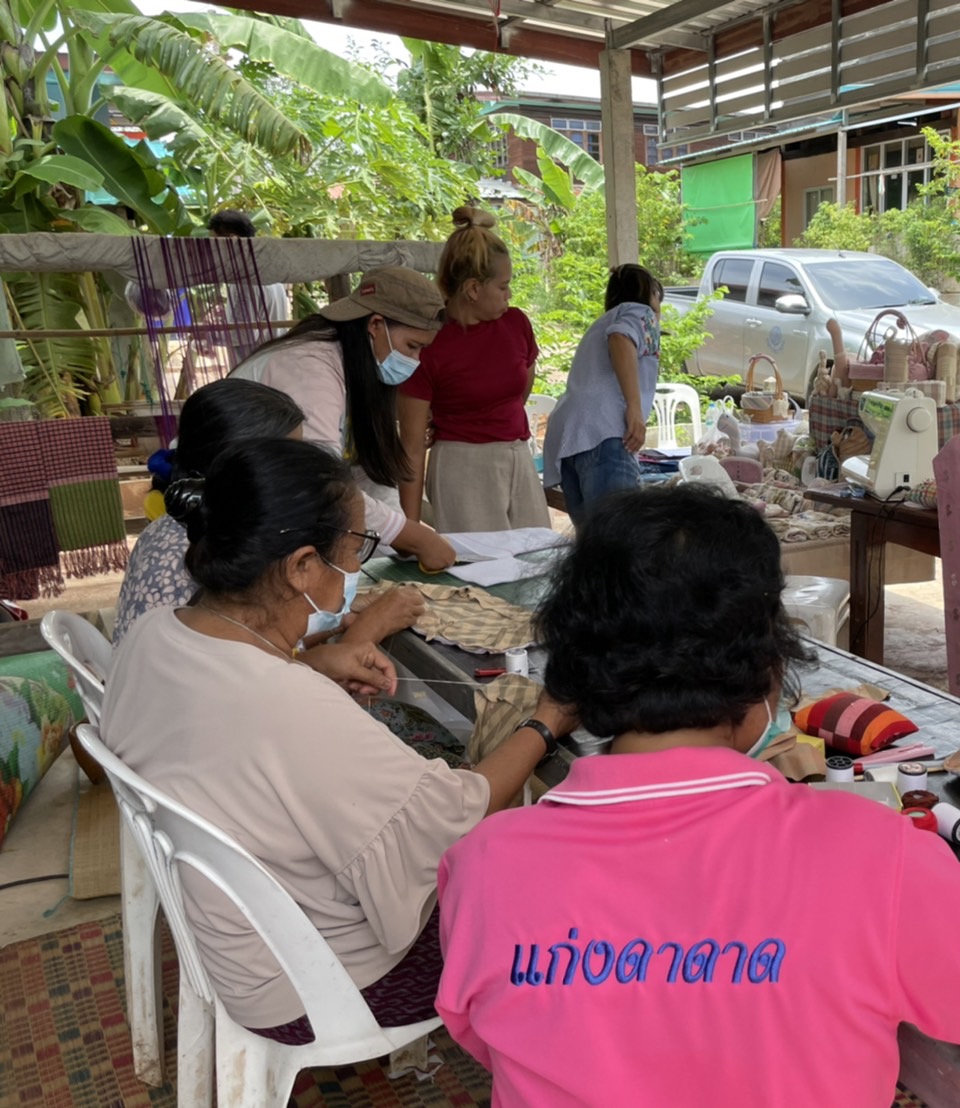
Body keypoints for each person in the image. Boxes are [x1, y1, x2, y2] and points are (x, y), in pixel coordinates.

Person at [435, 485, 960, 1105]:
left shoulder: (482, 867)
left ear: (576, 673)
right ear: (769, 669)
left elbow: (499, 1045)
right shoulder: (877, 857)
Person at [101, 437, 575, 1040]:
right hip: (313, 985)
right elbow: (458, 818)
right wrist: (547, 721)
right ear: (301, 566)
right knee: (554, 889)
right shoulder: (286, 704)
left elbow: (236, 712)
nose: (356, 569)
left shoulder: (154, 633)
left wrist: (311, 664)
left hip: (231, 939)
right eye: (355, 550)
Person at [114, 378, 422, 650]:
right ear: (241, 466)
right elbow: (245, 675)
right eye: (285, 463)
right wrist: (366, 632)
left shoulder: (198, 525)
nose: (297, 477)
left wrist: (338, 618)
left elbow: (256, 638)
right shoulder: (195, 549)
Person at [234, 267, 456, 570]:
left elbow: (367, 474)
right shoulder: (309, 367)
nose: (415, 361)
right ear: (375, 325)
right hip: (237, 517)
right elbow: (319, 480)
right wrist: (410, 536)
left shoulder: (360, 365)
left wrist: (399, 536)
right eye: (412, 346)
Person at [397, 207, 551, 533]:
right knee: (479, 560)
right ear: (473, 289)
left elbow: (521, 389)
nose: (509, 295)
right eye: (503, 287)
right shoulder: (428, 342)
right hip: (461, 467)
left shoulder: (516, 324)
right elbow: (412, 446)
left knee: (537, 552)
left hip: (517, 454)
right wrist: (410, 529)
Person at [539, 264, 663, 523]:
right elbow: (620, 338)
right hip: (604, 434)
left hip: (571, 436)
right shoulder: (641, 313)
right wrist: (634, 408)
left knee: (593, 540)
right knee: (617, 537)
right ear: (649, 294)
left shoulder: (604, 321)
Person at [208, 208, 289, 363]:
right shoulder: (270, 274)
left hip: (255, 368)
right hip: (272, 363)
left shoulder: (244, 281)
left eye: (213, 242)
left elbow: (245, 334)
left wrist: (210, 335)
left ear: (231, 240)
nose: (211, 251)